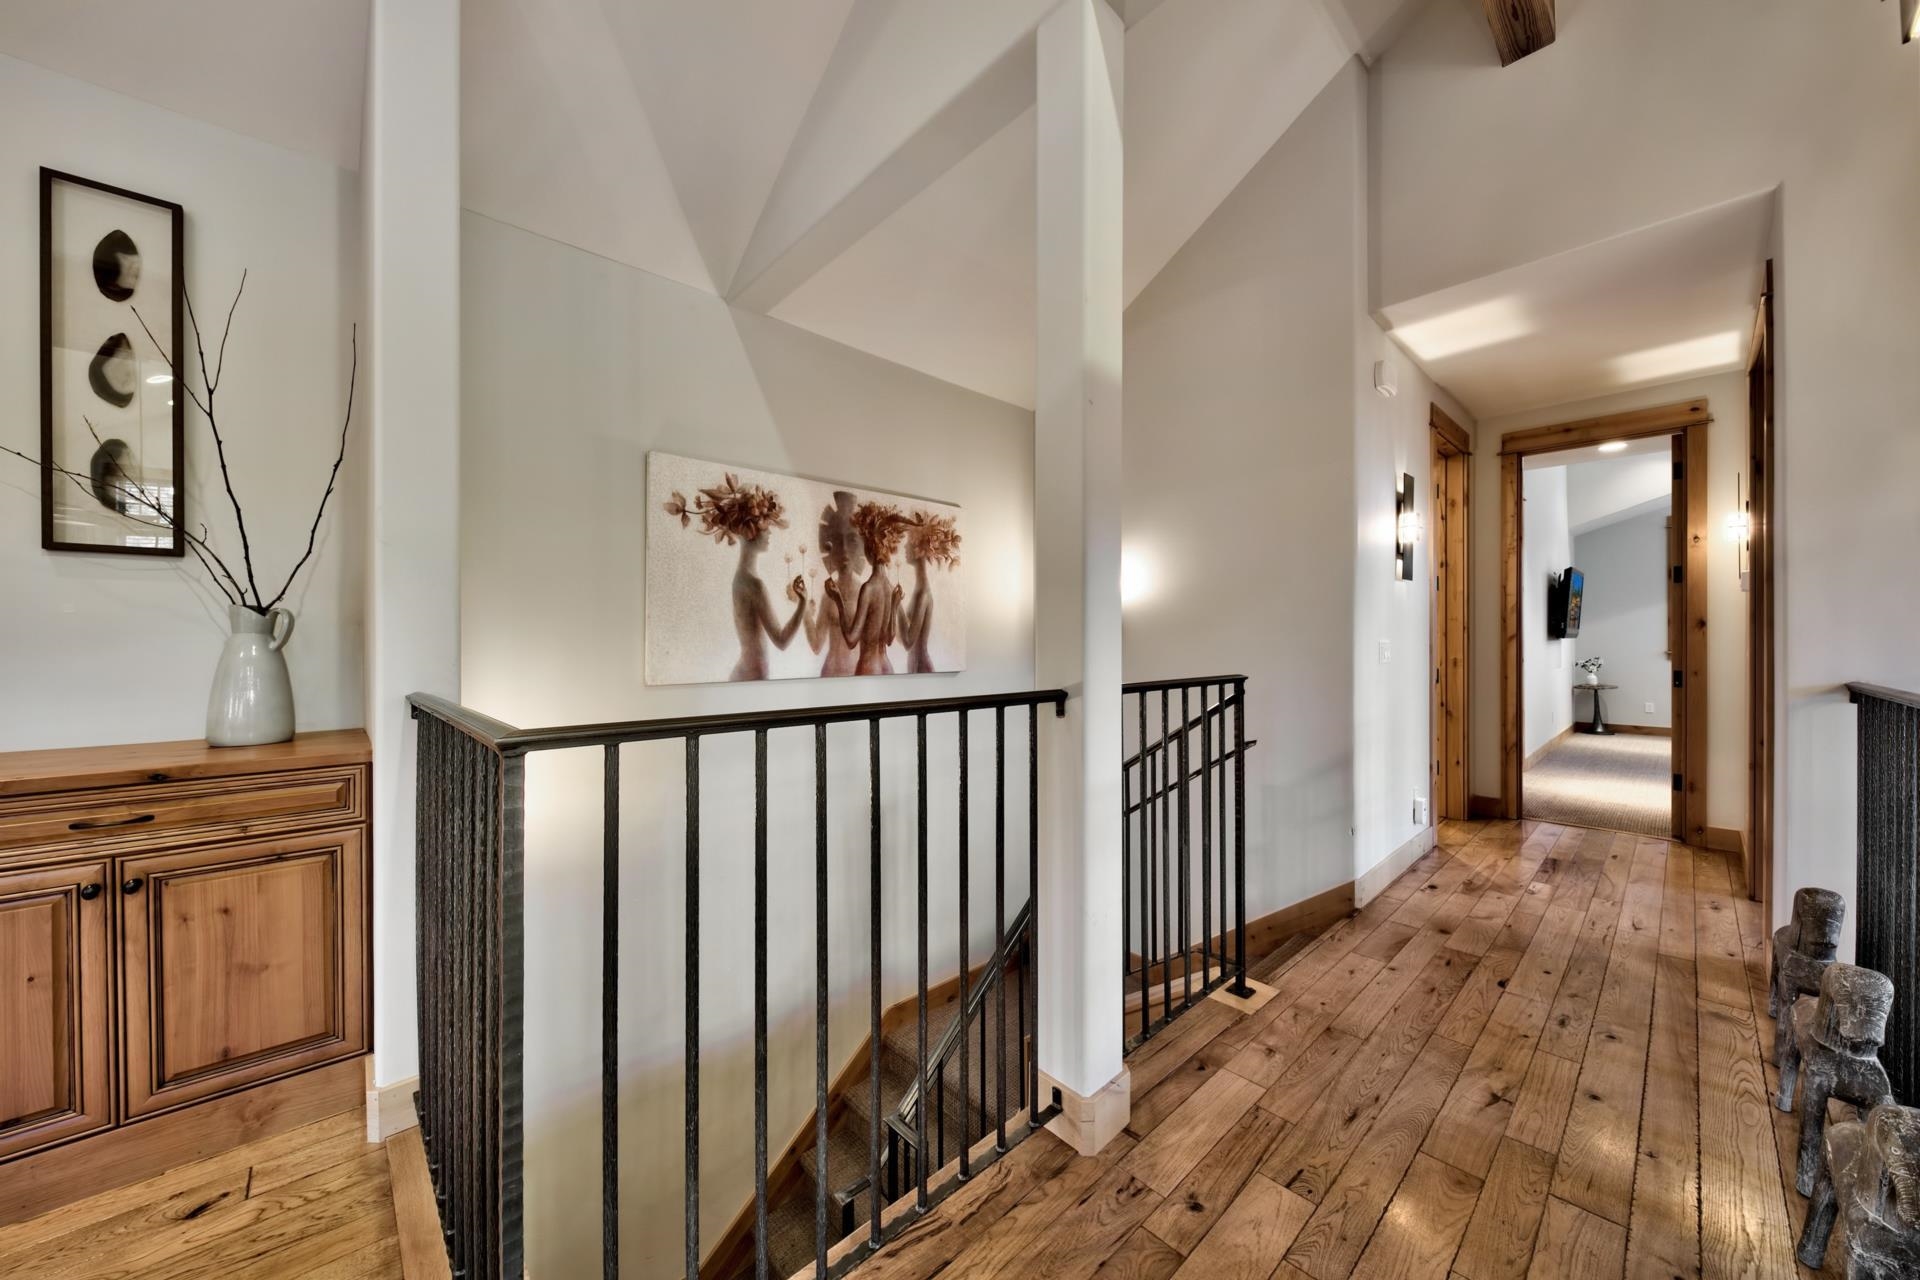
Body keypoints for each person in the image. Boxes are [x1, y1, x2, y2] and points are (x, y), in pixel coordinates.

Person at [662, 474, 806, 682]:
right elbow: (781, 641)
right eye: (767, 528)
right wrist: (802, 603)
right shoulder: (754, 584)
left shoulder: (741, 578)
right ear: (751, 532)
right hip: (753, 674)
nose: (770, 534)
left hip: (748, 672)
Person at [825, 501, 906, 676]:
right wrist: (895, 605)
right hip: (887, 667)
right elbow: (890, 639)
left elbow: (851, 640)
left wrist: (838, 599)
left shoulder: (868, 588)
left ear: (869, 551)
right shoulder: (891, 588)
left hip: (869, 667)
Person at [805, 491, 863, 677]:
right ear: (829, 546)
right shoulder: (827, 594)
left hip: (858, 676)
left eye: (851, 540)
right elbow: (816, 645)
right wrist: (803, 607)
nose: (844, 550)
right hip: (829, 675)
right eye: (837, 541)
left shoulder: (865, 591)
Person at [896, 511, 961, 674]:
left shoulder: (922, 593)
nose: (904, 547)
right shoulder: (919, 589)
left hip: (921, 666)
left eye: (908, 543)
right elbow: (904, 637)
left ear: (918, 549)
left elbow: (908, 642)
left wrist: (897, 606)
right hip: (916, 666)